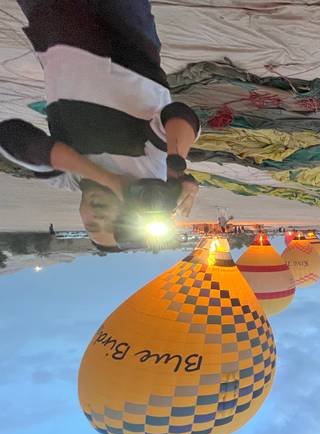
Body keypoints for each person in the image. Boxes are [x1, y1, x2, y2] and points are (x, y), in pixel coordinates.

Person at [0, 0, 200, 251]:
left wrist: (108, 179)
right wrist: (177, 162)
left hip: (54, 26)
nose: (101, 219)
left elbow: (11, 135)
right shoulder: (151, 170)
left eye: (92, 226)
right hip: (122, 29)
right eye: (117, 223)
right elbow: (180, 116)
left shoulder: (68, 179)